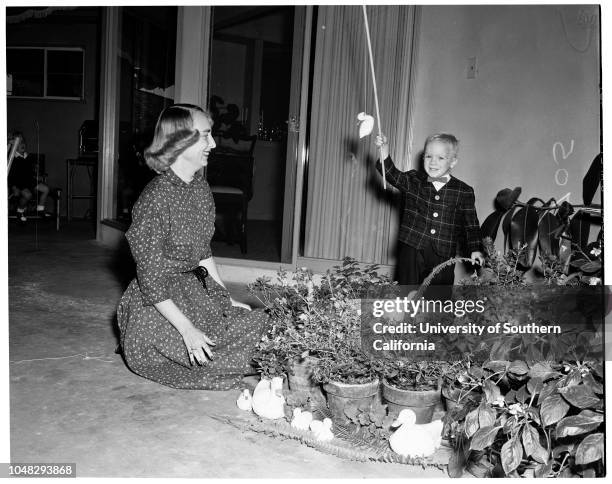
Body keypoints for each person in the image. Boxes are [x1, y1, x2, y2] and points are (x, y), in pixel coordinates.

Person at [117, 104, 269, 390]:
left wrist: (225, 297)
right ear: (179, 140)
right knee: (205, 353)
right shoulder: (154, 200)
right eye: (205, 136)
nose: (212, 144)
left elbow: (203, 252)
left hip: (194, 292)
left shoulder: (199, 187)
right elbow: (150, 281)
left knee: (259, 323)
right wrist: (186, 329)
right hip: (158, 304)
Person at [375, 133, 484, 289]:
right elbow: (392, 174)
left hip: (443, 254)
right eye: (428, 156)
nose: (433, 162)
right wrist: (384, 149)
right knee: (406, 292)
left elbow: (471, 225)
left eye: (441, 158)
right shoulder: (413, 180)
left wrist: (475, 249)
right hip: (412, 248)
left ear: (453, 162)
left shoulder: (464, 191)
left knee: (437, 296)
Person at [8, 132, 51, 223]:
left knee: (46, 189)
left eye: (23, 142)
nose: (22, 144)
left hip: (30, 180)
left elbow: (31, 170)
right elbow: (10, 175)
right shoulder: (12, 158)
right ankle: (20, 211)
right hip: (19, 182)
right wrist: (13, 186)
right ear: (13, 145)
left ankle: (40, 209)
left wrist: (36, 172)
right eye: (18, 143)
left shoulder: (28, 156)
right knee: (28, 195)